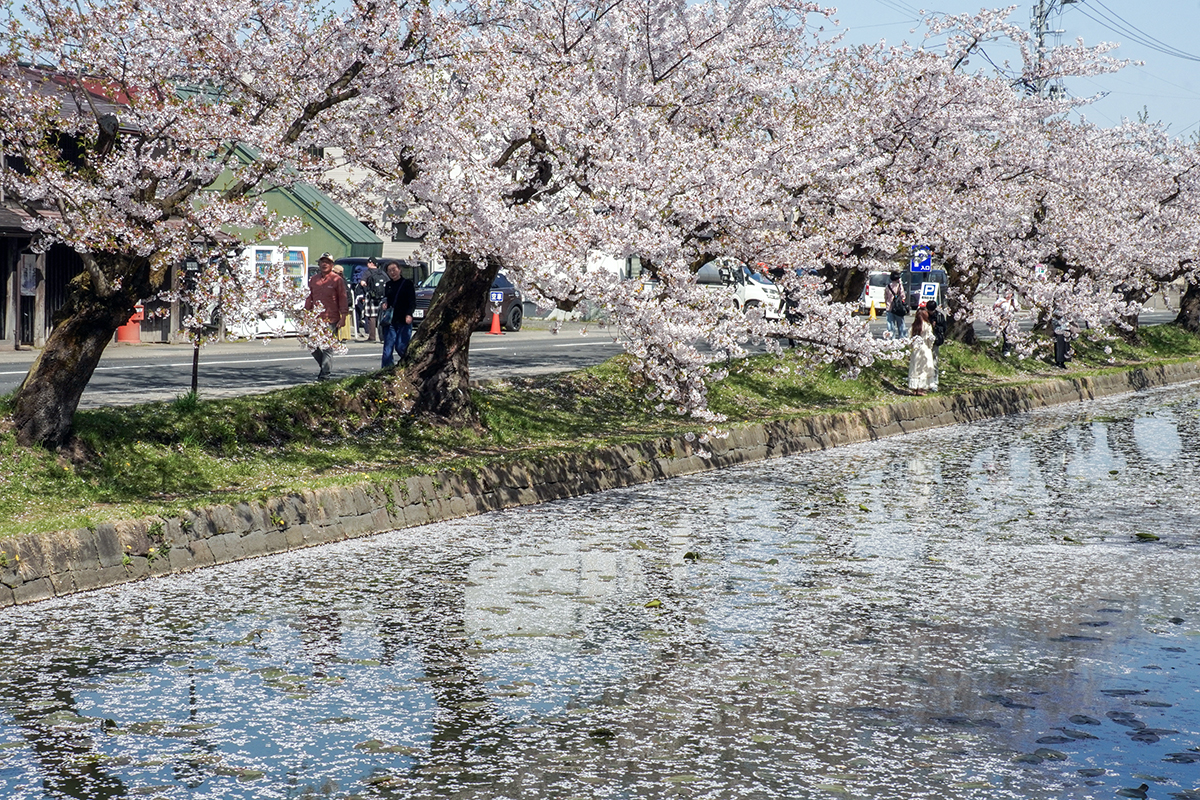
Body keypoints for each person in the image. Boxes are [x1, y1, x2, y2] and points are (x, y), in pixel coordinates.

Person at [304, 253, 349, 381]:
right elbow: (309, 298)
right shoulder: (313, 279)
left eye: (327, 262)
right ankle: (324, 368)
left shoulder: (337, 280)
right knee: (312, 345)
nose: (324, 264)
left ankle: (325, 376)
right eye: (322, 262)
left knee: (327, 347)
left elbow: (343, 299)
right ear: (319, 264)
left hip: (331, 318)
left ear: (332, 265)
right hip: (316, 319)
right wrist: (306, 315)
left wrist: (343, 317)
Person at [380, 260, 416, 368]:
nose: (392, 272)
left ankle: (409, 365)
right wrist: (384, 304)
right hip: (391, 320)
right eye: (389, 271)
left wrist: (409, 314)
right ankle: (386, 370)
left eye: (394, 270)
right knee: (387, 349)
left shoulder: (407, 284)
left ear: (399, 270)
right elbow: (386, 299)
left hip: (404, 319)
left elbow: (412, 301)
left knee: (401, 346)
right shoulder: (388, 285)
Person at [358, 258, 388, 343]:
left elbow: (362, 282)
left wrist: (366, 287)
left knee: (371, 316)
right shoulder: (381, 272)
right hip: (382, 297)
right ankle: (383, 337)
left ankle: (372, 336)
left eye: (368, 262)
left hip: (371, 296)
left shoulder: (367, 272)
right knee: (381, 316)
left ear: (371, 263)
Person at [907, 307, 936, 395]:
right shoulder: (927, 325)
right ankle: (921, 389)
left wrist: (911, 348)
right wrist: (931, 344)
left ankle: (915, 388)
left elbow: (909, 339)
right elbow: (929, 338)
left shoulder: (914, 326)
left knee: (915, 368)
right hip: (924, 349)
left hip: (916, 349)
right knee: (924, 368)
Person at [925, 299, 947, 392]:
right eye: (929, 310)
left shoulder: (939, 316)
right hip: (925, 341)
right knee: (925, 361)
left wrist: (936, 326)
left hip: (935, 341)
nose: (930, 312)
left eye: (932, 310)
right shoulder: (924, 315)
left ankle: (935, 382)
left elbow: (944, 328)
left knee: (934, 361)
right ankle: (926, 382)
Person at [331, 264, 355, 341]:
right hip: (346, 303)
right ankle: (343, 336)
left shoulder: (338, 281)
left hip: (341, 305)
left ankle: (340, 337)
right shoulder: (343, 280)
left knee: (340, 320)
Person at [884, 271, 907, 339]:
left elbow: (886, 297)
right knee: (901, 324)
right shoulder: (899, 286)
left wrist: (888, 303)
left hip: (889, 308)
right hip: (898, 308)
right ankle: (902, 338)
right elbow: (903, 296)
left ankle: (891, 338)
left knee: (890, 324)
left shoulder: (888, 286)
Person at [993, 291, 1017, 356]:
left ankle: (1007, 350)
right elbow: (995, 306)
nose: (1008, 295)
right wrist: (1003, 302)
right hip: (1002, 317)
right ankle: (996, 344)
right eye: (1007, 293)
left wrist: (1013, 305)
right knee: (1000, 332)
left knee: (1008, 334)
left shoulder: (1013, 300)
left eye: (1010, 293)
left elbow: (1017, 309)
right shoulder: (1001, 299)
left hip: (1010, 318)